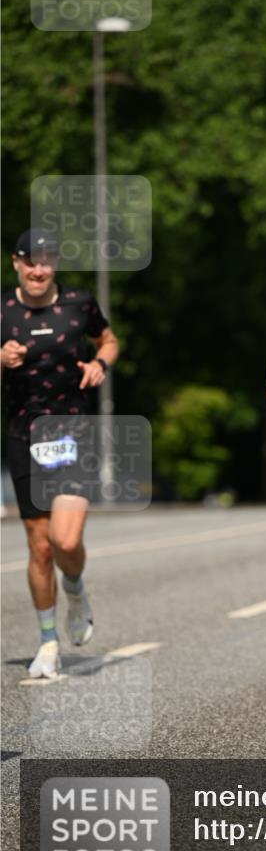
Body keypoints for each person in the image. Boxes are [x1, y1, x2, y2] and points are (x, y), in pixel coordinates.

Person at [1, 229, 118, 678]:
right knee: (40, 545)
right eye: (30, 259)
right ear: (16, 262)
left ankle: (75, 588)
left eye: (46, 260)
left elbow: (108, 339)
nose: (38, 268)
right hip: (23, 437)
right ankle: (48, 641)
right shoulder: (2, 311)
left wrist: (99, 363)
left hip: (72, 434)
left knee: (66, 541)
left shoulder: (79, 303)